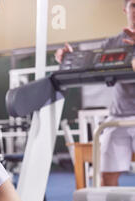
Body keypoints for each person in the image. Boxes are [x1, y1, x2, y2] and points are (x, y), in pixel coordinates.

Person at [55, 0, 135, 186]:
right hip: (119, 117)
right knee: (105, 178)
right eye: (133, 5)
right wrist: (71, 57)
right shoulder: (114, 42)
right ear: (125, 10)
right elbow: (92, 59)